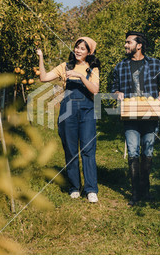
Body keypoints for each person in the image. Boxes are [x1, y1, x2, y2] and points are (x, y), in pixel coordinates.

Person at [37, 37, 100, 203]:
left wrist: (80, 76)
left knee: (88, 149)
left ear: (89, 52)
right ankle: (74, 187)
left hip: (87, 112)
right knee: (71, 149)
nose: (78, 51)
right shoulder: (65, 66)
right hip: (68, 112)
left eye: (82, 49)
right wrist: (41, 57)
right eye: (77, 47)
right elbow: (43, 78)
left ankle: (91, 189)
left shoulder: (92, 68)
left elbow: (95, 90)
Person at [111, 31, 160, 206]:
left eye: (128, 42)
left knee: (148, 152)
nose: (125, 45)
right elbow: (114, 87)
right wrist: (117, 93)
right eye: (125, 42)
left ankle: (146, 190)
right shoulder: (120, 66)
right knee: (133, 152)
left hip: (150, 114)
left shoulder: (155, 63)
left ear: (139, 45)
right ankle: (136, 193)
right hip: (130, 115)